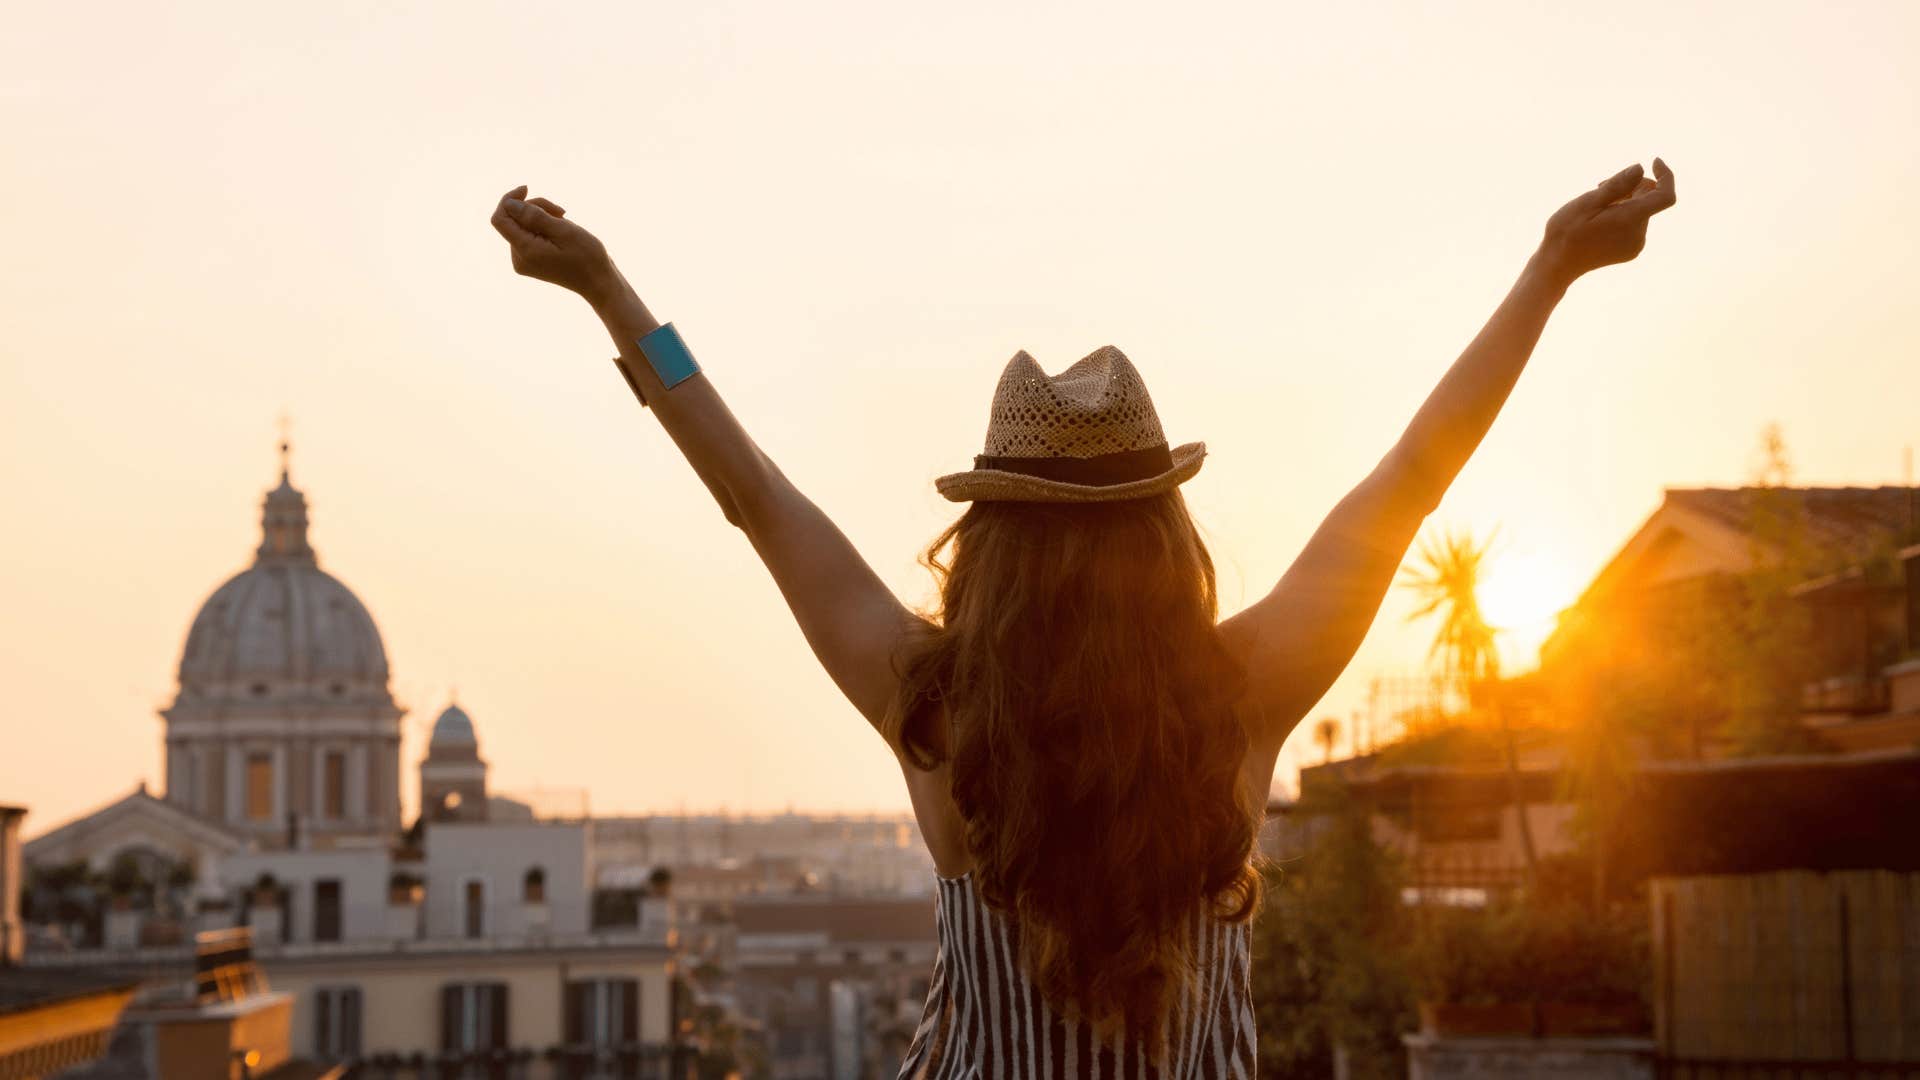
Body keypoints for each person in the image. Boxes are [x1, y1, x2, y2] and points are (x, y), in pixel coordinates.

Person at [489, 158, 1676, 1077]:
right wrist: (1549, 272)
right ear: (1167, 537)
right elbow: (1413, 477)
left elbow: (750, 491)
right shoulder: (1241, 698)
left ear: (990, 540)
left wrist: (612, 295)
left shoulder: (934, 709)